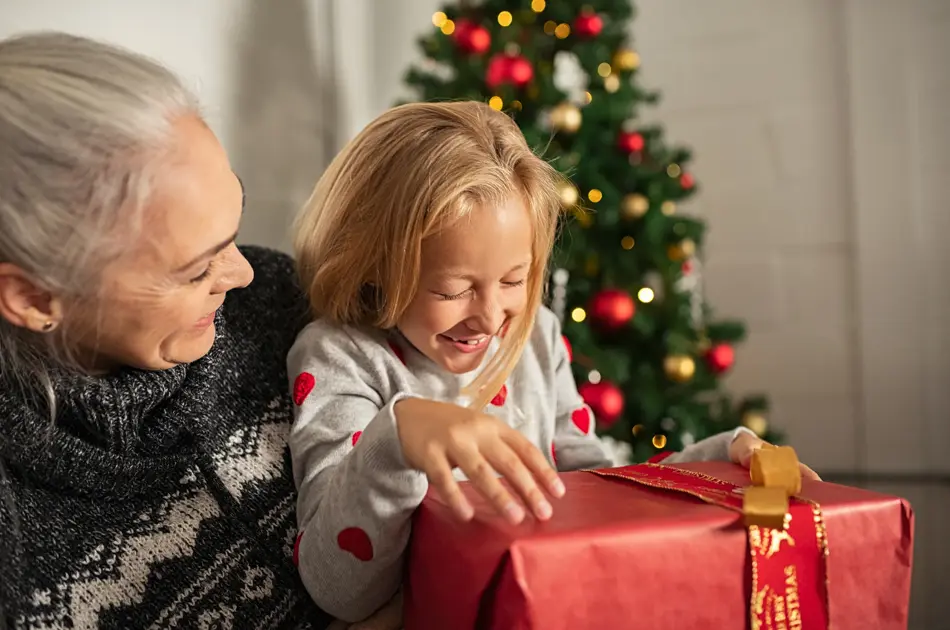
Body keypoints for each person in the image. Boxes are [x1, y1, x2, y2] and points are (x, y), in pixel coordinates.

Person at [287, 101, 820, 624]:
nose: (491, 316)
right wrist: (396, 438)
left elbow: (595, 491)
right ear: (371, 264)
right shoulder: (341, 356)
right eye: (452, 290)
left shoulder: (534, 334)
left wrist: (716, 463)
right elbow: (337, 589)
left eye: (514, 280)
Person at [0, 32, 333, 628]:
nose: (246, 271)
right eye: (197, 268)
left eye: (235, 223)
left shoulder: (281, 308)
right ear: (32, 297)